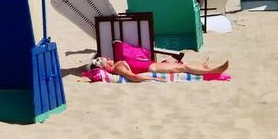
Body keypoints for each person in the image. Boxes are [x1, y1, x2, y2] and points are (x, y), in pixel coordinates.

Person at [85, 54, 230, 83]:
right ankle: (212, 72)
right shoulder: (118, 68)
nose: (109, 58)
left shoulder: (118, 64)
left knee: (180, 66)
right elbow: (134, 77)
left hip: (152, 64)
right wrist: (153, 78)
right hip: (153, 68)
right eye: (106, 59)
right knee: (182, 67)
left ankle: (203, 68)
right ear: (106, 66)